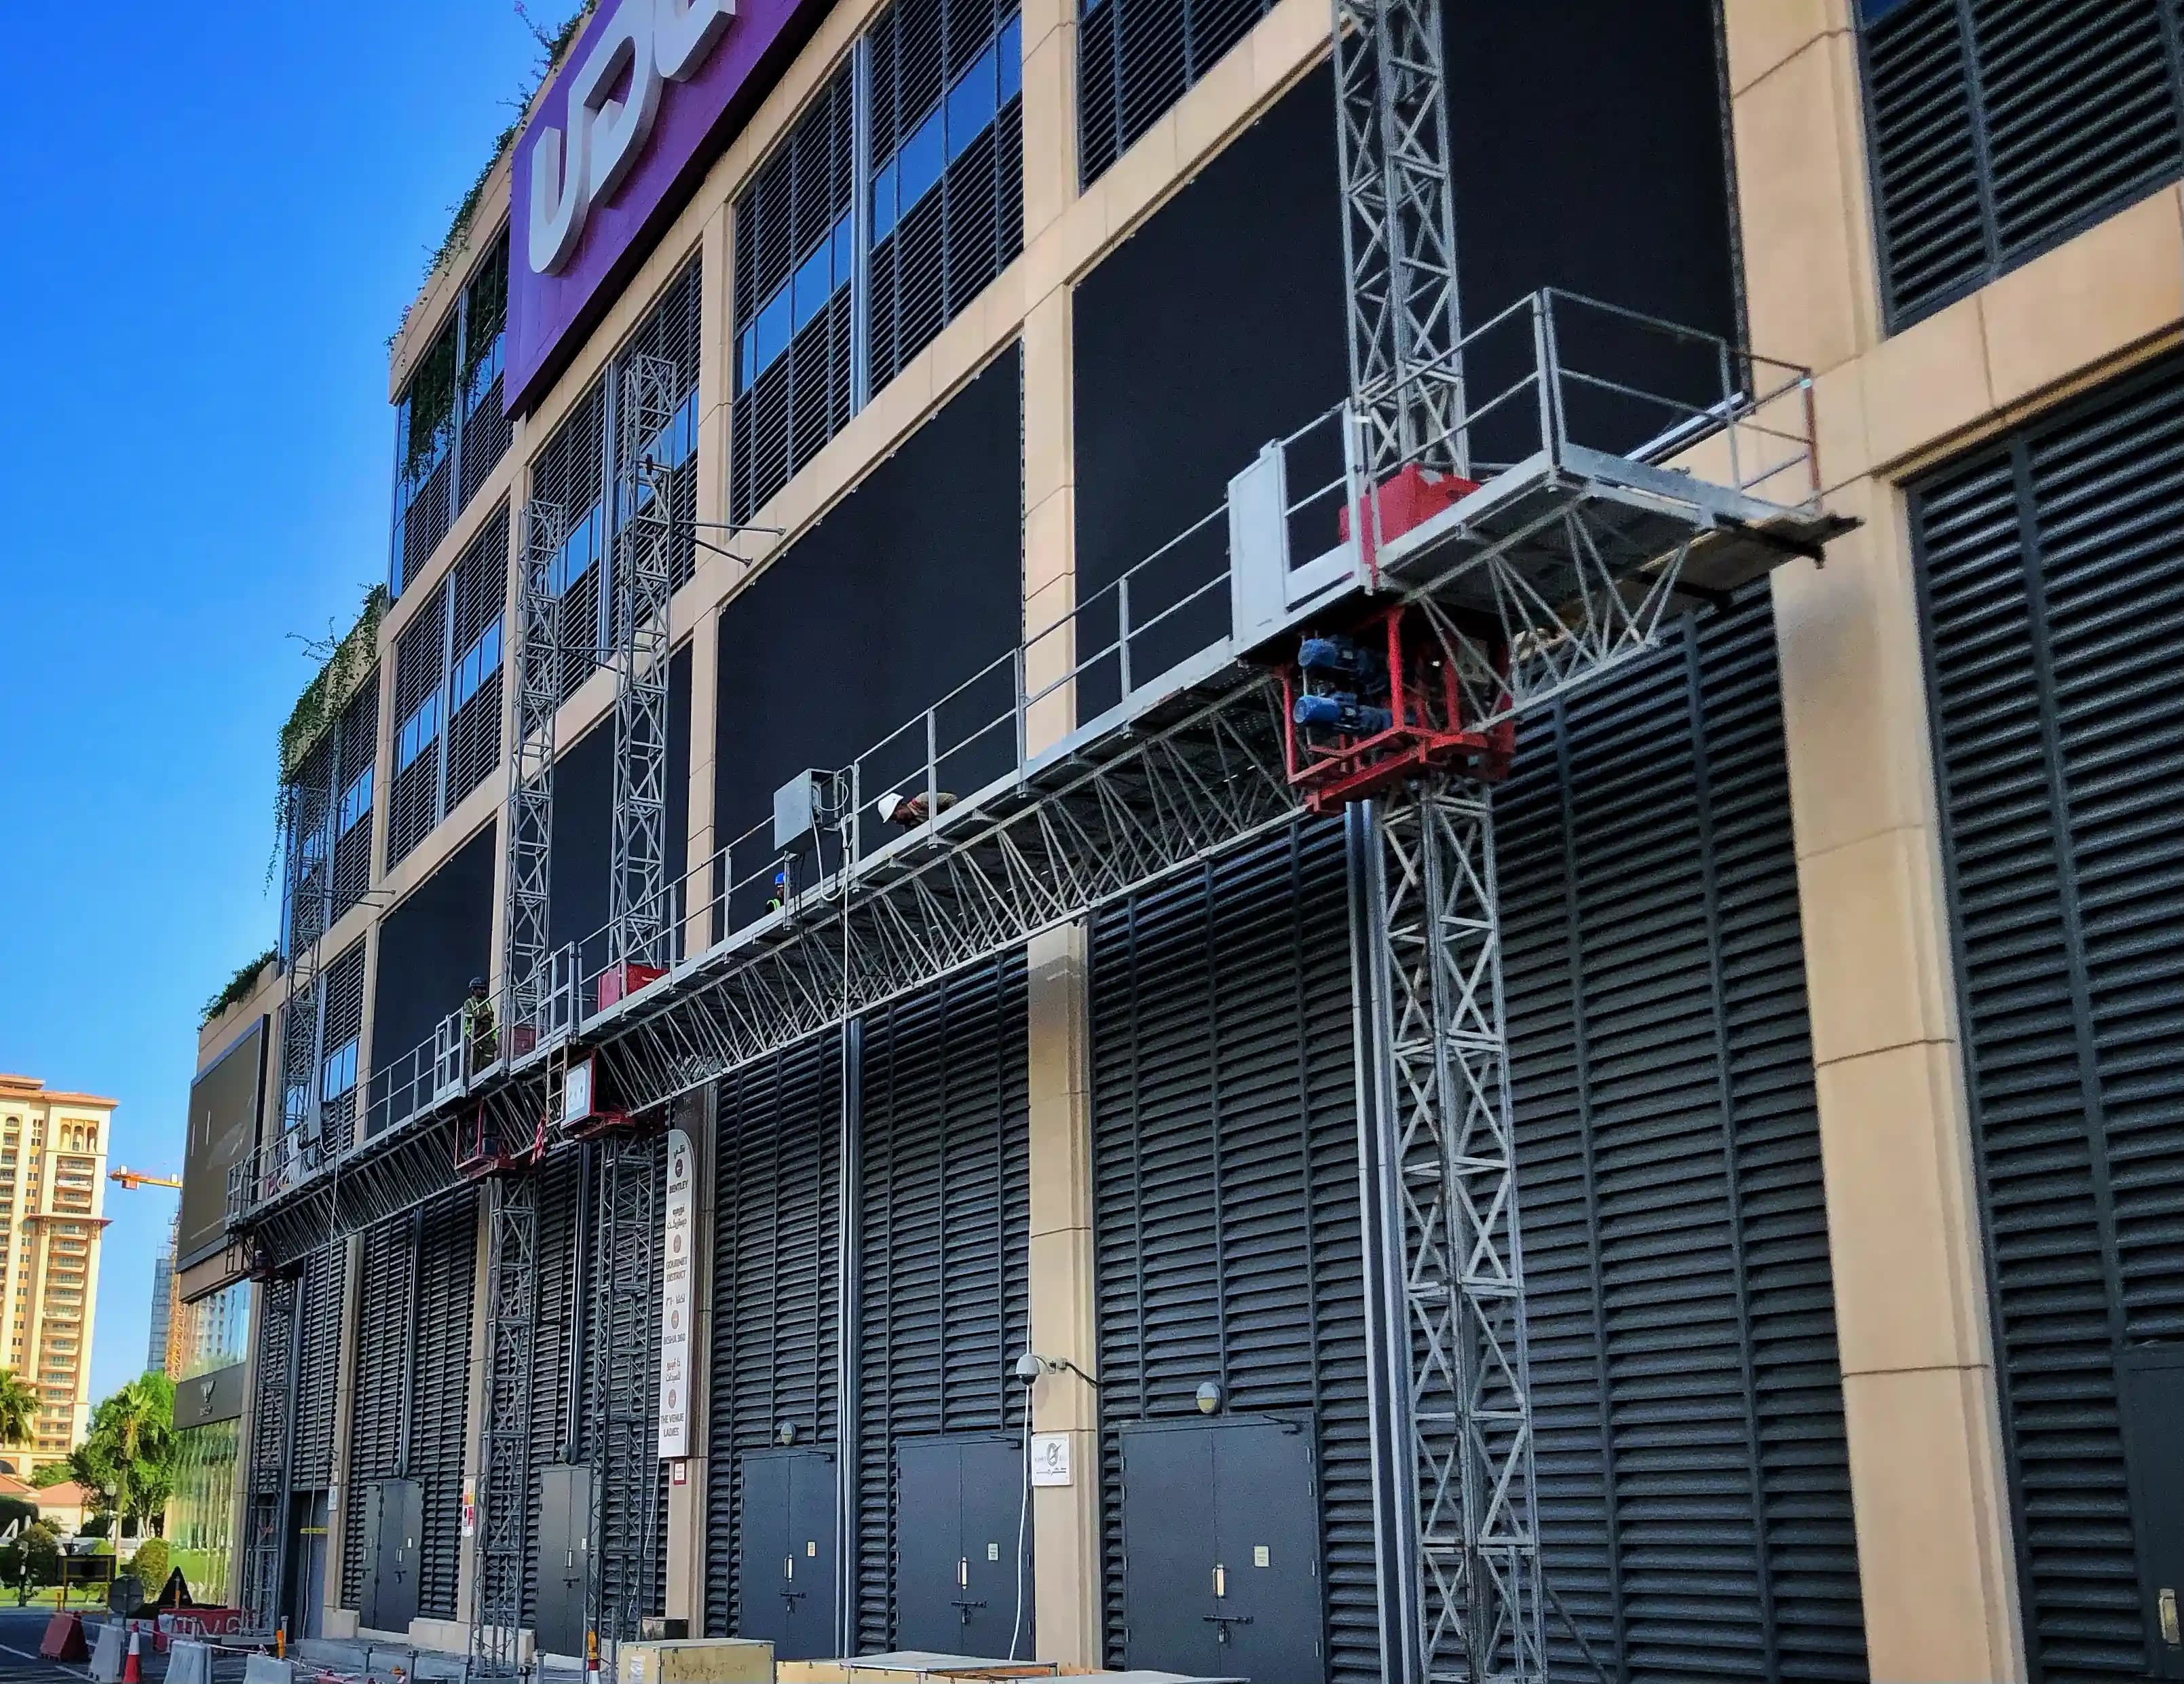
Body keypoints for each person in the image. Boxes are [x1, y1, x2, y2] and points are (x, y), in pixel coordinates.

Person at [461, 977, 498, 1072]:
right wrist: (483, 1016)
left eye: (484, 989)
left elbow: (491, 1022)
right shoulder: (469, 1003)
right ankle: (472, 1082)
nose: (484, 991)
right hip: (473, 1036)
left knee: (489, 1058)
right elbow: (469, 1015)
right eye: (481, 989)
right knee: (473, 1062)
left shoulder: (487, 1003)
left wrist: (493, 1037)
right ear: (473, 990)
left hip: (487, 1037)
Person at [877, 789, 958, 829]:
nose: (896, 821)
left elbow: (951, 799)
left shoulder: (923, 800)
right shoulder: (910, 827)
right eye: (893, 820)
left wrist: (952, 819)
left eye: (894, 817)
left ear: (902, 806)